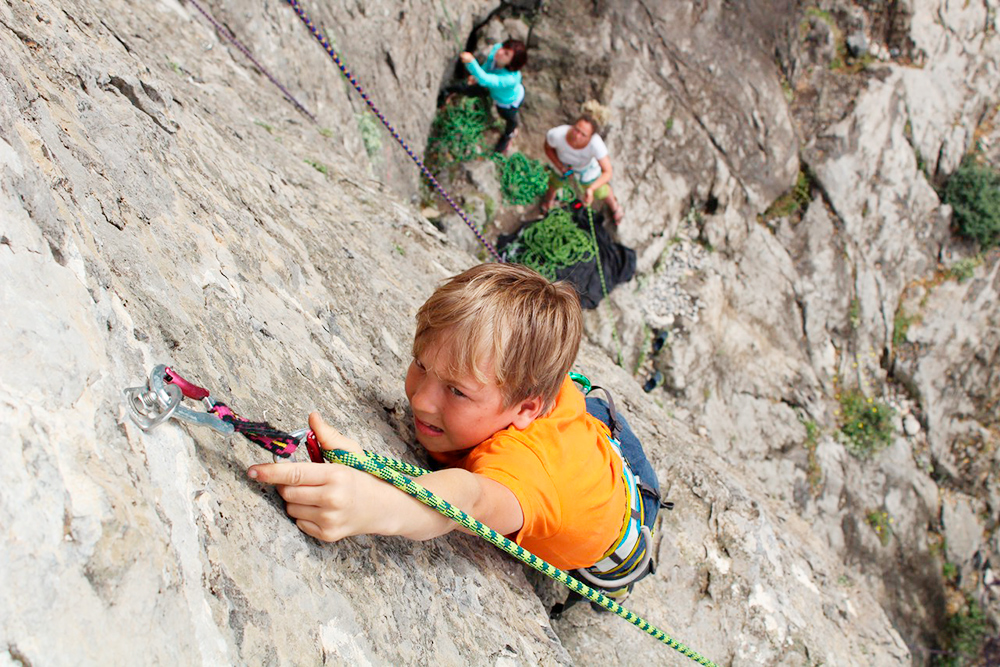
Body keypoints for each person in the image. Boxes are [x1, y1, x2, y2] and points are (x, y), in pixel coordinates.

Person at [247, 263, 664, 599]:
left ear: (527, 408)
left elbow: (473, 498)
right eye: (421, 364)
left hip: (619, 528)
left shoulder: (526, 472)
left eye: (456, 391)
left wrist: (380, 505)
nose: (422, 400)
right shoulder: (518, 397)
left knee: (615, 572)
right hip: (583, 426)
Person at [438, 40, 527, 154]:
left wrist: (471, 63)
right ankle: (447, 92)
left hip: (506, 102)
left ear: (511, 63)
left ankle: (508, 134)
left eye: (506, 54)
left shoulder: (511, 79)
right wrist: (477, 76)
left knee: (509, 118)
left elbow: (485, 80)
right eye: (504, 48)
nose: (500, 51)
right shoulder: (497, 49)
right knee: (467, 88)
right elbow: (488, 65)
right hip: (492, 88)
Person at [540, 115, 623, 223]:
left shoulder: (596, 145)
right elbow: (548, 148)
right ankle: (548, 202)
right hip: (563, 165)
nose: (577, 136)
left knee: (601, 191)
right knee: (554, 183)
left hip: (586, 170)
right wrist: (560, 166)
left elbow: (607, 171)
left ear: (590, 137)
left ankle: (614, 206)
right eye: (576, 130)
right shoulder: (557, 134)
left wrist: (591, 189)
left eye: (583, 135)